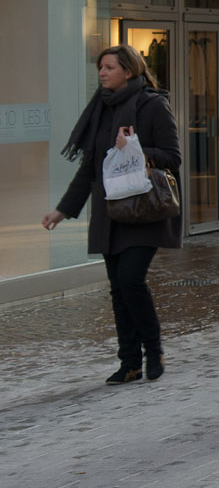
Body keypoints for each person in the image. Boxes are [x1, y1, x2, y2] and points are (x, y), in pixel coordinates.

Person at [44, 46, 183, 386]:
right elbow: (90, 167)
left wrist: (134, 149)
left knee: (131, 280)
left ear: (129, 71)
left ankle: (154, 350)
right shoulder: (101, 110)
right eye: (100, 68)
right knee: (118, 289)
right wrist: (63, 210)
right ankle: (130, 362)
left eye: (108, 68)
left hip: (144, 209)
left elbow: (172, 157)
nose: (102, 73)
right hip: (111, 212)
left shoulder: (152, 105)